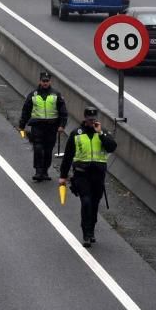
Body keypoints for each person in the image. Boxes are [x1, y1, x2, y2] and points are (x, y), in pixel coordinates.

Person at [59, 107, 117, 247]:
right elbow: (68, 156)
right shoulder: (76, 134)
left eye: (94, 119)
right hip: (81, 174)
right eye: (89, 119)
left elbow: (112, 147)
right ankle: (85, 233)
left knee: (95, 204)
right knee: (86, 202)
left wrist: (101, 133)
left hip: (98, 175)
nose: (92, 121)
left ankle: (91, 230)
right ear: (84, 118)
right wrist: (63, 176)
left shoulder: (103, 133)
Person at [19, 71, 68, 182]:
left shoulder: (56, 95)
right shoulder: (33, 95)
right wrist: (22, 124)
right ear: (40, 81)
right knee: (38, 148)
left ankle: (45, 171)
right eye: (43, 81)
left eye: (47, 81)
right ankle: (38, 171)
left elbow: (63, 111)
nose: (45, 83)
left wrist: (62, 125)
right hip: (38, 126)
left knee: (48, 150)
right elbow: (26, 110)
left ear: (50, 82)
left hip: (51, 127)